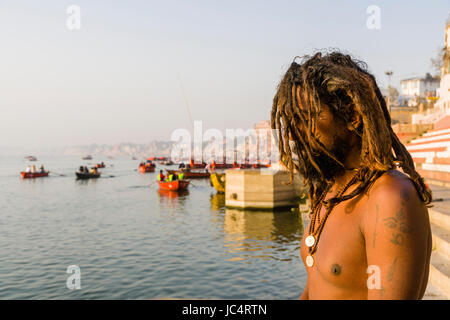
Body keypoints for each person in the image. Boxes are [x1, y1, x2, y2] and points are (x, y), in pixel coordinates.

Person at [271, 51, 432, 300]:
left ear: (353, 117)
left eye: (305, 118)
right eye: (291, 122)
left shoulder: (389, 198)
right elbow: (314, 289)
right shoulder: (330, 189)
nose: (292, 135)